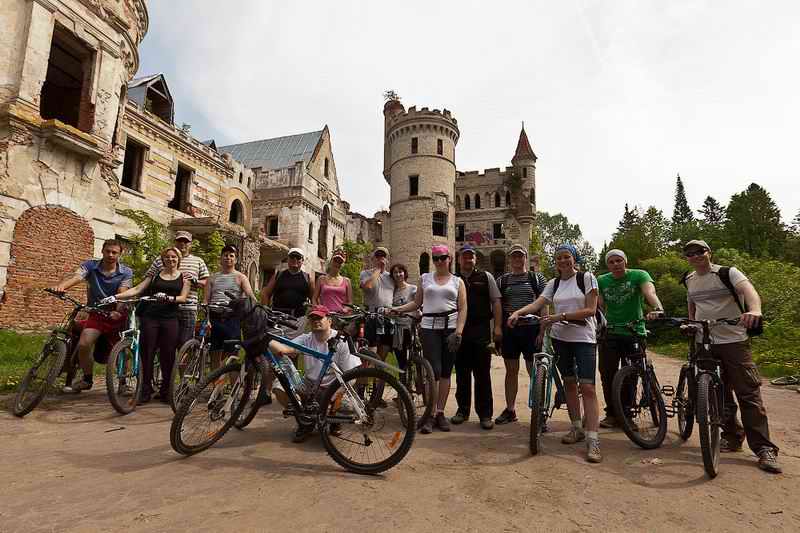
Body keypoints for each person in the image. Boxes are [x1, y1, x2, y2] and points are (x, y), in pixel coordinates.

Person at [683, 239, 781, 474]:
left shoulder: (728, 273)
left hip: (734, 340)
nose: (695, 256)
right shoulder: (689, 279)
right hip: (704, 341)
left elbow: (750, 293)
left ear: (709, 253)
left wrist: (754, 310)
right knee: (718, 394)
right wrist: (691, 324)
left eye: (700, 251)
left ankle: (764, 449)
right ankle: (732, 437)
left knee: (748, 394)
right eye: (690, 253)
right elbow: (693, 306)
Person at [509, 244, 602, 464]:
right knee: (569, 382)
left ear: (574, 258)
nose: (563, 261)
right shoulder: (554, 283)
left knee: (587, 387)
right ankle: (577, 427)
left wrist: (559, 317)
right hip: (561, 339)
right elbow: (538, 303)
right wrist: (518, 312)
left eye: (566, 257)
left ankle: (593, 439)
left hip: (584, 339)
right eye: (559, 258)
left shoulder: (587, 278)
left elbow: (590, 309)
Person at [391, 245, 467, 434]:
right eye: (436, 258)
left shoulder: (458, 282)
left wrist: (459, 331)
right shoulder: (425, 278)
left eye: (442, 257)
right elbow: (417, 303)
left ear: (449, 258)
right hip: (429, 327)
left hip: (450, 327)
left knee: (446, 372)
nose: (439, 261)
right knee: (433, 370)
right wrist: (397, 309)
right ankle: (430, 414)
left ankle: (440, 412)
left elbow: (463, 308)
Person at [104, 247, 190, 403]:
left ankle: (166, 391)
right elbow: (137, 289)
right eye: (167, 257)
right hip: (150, 317)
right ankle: (145, 389)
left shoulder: (184, 278)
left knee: (168, 355)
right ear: (162, 259)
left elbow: (183, 298)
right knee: (146, 353)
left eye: (174, 257)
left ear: (178, 259)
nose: (170, 260)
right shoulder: (155, 275)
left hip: (170, 318)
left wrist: (169, 298)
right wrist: (114, 297)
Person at [269, 305, 361, 443]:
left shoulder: (341, 340)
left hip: (334, 388)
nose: (315, 321)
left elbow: (352, 376)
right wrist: (267, 339)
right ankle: (304, 422)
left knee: (351, 408)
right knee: (279, 387)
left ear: (329, 320)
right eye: (312, 318)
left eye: (319, 317)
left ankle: (334, 421)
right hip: (309, 385)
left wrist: (332, 398)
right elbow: (285, 348)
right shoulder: (306, 339)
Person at [51, 239, 133, 393]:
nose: (110, 255)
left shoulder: (126, 272)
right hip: (97, 312)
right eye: (108, 251)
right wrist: (61, 287)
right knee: (84, 344)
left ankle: (123, 383)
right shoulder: (90, 266)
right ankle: (87, 379)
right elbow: (77, 277)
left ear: (119, 254)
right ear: (102, 251)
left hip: (117, 314)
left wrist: (118, 310)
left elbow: (123, 292)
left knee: (122, 349)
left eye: (114, 252)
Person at [596, 249, 664, 428]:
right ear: (607, 265)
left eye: (619, 260)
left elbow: (650, 293)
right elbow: (600, 306)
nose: (615, 264)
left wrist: (657, 308)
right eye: (611, 262)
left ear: (625, 261)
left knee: (631, 374)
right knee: (607, 374)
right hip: (609, 332)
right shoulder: (602, 280)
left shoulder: (639, 275)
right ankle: (612, 413)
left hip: (634, 331)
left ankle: (626, 414)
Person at [494, 244, 547, 426]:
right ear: (510, 259)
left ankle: (539, 411)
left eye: (520, 256)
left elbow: (543, 304)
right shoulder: (503, 281)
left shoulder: (536, 278)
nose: (517, 259)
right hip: (511, 330)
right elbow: (498, 306)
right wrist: (498, 329)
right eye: (514, 256)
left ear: (525, 257)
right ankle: (510, 410)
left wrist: (542, 329)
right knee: (511, 371)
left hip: (531, 329)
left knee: (535, 372)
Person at [451, 244, 502, 430]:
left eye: (470, 256)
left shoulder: (486, 277)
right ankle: (462, 410)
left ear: (475, 259)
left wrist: (497, 327)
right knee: (462, 373)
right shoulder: (453, 280)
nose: (468, 259)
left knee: (482, 374)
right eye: (464, 256)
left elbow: (496, 302)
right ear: (459, 259)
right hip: (459, 331)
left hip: (480, 331)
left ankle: (485, 414)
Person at [145, 230, 209, 347]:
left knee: (184, 343)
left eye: (186, 242)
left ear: (191, 244)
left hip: (187, 307)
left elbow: (207, 283)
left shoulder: (198, 261)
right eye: (180, 241)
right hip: (163, 307)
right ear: (175, 242)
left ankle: (181, 365)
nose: (182, 244)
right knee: (164, 343)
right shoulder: (161, 259)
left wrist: (195, 280)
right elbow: (148, 279)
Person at [205, 245, 256, 368]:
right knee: (214, 354)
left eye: (231, 255)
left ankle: (233, 385)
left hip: (232, 318)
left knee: (233, 355)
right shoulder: (212, 278)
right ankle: (213, 385)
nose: (228, 258)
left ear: (236, 260)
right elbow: (206, 300)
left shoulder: (241, 277)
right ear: (221, 258)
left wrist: (253, 308)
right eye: (225, 255)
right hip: (214, 317)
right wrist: (206, 320)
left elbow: (251, 296)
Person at [359, 246, 395, 360]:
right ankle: (367, 374)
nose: (381, 258)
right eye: (378, 256)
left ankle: (378, 377)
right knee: (371, 354)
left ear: (387, 259)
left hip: (387, 316)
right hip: (372, 315)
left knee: (383, 354)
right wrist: (378, 270)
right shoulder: (365, 273)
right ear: (373, 259)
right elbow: (368, 286)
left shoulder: (391, 276)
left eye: (383, 256)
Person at [261, 247, 314, 317]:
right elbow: (266, 293)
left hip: (299, 318)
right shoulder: (278, 275)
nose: (295, 259)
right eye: (292, 256)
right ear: (288, 259)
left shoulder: (308, 278)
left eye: (298, 257)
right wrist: (266, 311)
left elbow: (313, 298)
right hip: (277, 315)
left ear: (302, 260)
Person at [390, 263, 417, 375]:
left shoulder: (412, 289)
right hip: (397, 329)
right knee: (401, 360)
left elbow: (419, 303)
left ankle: (418, 380)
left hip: (410, 326)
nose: (398, 274)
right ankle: (402, 384)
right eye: (395, 272)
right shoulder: (392, 291)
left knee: (414, 357)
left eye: (400, 271)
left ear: (405, 273)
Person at [312, 248, 352, 313]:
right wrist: (317, 308)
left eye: (340, 262)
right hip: (324, 315)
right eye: (335, 261)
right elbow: (314, 298)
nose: (337, 264)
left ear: (342, 265)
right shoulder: (321, 279)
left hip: (340, 316)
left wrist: (345, 309)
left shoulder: (347, 281)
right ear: (331, 261)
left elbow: (350, 302)